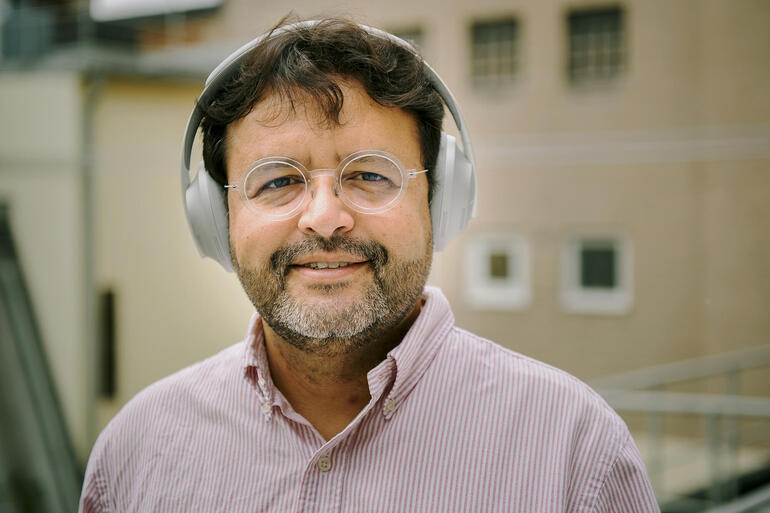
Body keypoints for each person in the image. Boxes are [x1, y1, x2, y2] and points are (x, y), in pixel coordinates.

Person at [80, 17, 659, 512]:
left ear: (440, 200)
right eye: (278, 181)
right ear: (216, 217)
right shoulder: (135, 453)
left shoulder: (575, 453)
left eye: (370, 175)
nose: (325, 218)